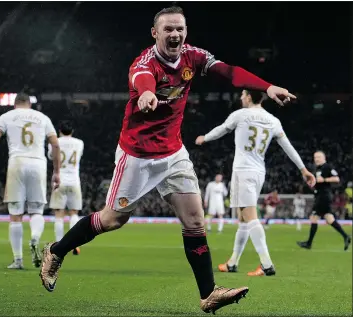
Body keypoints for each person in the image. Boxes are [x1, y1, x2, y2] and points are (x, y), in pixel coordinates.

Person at [39, 6, 297, 313]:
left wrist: (266, 86)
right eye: (168, 30)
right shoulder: (144, 63)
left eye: (180, 29)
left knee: (195, 221)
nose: (175, 34)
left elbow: (229, 72)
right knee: (113, 219)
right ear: (155, 33)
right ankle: (56, 251)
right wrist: (146, 94)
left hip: (174, 153)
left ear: (185, 32)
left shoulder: (193, 56)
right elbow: (142, 80)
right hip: (137, 155)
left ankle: (209, 293)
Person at [195, 89, 316, 276]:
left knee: (250, 216)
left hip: (243, 170)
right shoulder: (273, 121)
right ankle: (233, 262)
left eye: (243, 95)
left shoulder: (241, 115)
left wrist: (205, 138)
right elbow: (288, 147)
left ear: (250, 97)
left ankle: (266, 264)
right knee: (243, 219)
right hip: (259, 171)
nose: (241, 98)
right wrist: (303, 169)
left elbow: (222, 129)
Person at [0, 93, 60, 269]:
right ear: (29, 104)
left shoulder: (6, 116)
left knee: (15, 214)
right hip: (38, 164)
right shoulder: (43, 118)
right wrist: (56, 172)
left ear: (15, 104)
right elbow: (55, 144)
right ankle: (34, 237)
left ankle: (18, 260)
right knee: (36, 212)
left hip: (17, 162)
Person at [297, 151, 351, 250]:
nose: (316, 159)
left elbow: (336, 179)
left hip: (324, 196)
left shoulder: (327, 167)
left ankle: (309, 243)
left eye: (318, 157)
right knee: (329, 219)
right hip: (320, 195)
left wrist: (325, 180)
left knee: (314, 217)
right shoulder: (317, 169)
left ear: (324, 158)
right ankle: (346, 236)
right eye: (315, 157)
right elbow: (317, 183)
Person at [48, 120, 84, 255]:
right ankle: (74, 243)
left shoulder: (54, 142)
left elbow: (51, 156)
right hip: (74, 181)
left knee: (59, 213)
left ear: (59, 131)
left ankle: (59, 245)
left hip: (59, 180)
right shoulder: (79, 143)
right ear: (72, 131)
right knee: (74, 213)